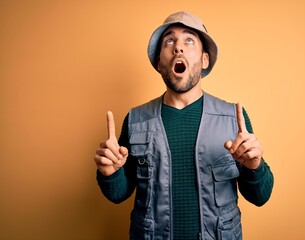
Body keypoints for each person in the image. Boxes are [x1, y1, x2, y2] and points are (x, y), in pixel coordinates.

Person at [94, 11, 274, 240]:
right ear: (159, 62)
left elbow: (261, 196)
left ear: (204, 59)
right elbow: (119, 194)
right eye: (169, 41)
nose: (178, 47)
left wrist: (254, 167)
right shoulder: (136, 120)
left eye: (189, 40)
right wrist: (110, 174)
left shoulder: (233, 118)